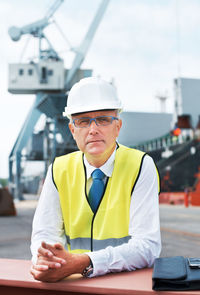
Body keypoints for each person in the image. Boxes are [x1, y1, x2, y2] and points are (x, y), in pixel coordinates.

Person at [30, 77, 161, 282]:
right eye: (83, 121)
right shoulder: (58, 169)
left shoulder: (140, 165)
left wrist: (84, 262)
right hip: (73, 283)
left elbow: (147, 247)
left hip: (126, 282)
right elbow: (44, 233)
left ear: (117, 126)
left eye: (103, 119)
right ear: (72, 130)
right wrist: (48, 259)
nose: (93, 130)